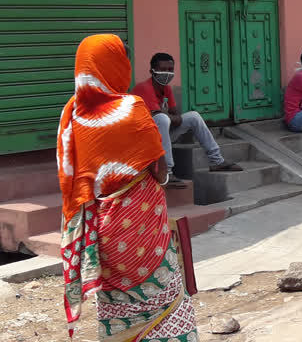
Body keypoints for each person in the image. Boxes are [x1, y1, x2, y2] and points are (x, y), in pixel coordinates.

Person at [57, 35, 198, 341]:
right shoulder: (130, 109)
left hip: (101, 232)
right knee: (167, 302)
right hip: (142, 228)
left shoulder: (71, 114)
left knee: (115, 307)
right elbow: (159, 169)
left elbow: (72, 175)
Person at [132, 53, 241, 179]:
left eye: (170, 70)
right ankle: (167, 170)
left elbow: (176, 116)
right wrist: (167, 115)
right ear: (152, 71)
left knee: (194, 116)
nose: (167, 73)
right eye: (163, 70)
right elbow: (161, 116)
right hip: (143, 141)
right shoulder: (144, 88)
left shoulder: (166, 88)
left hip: (161, 136)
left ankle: (216, 161)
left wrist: (168, 115)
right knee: (162, 119)